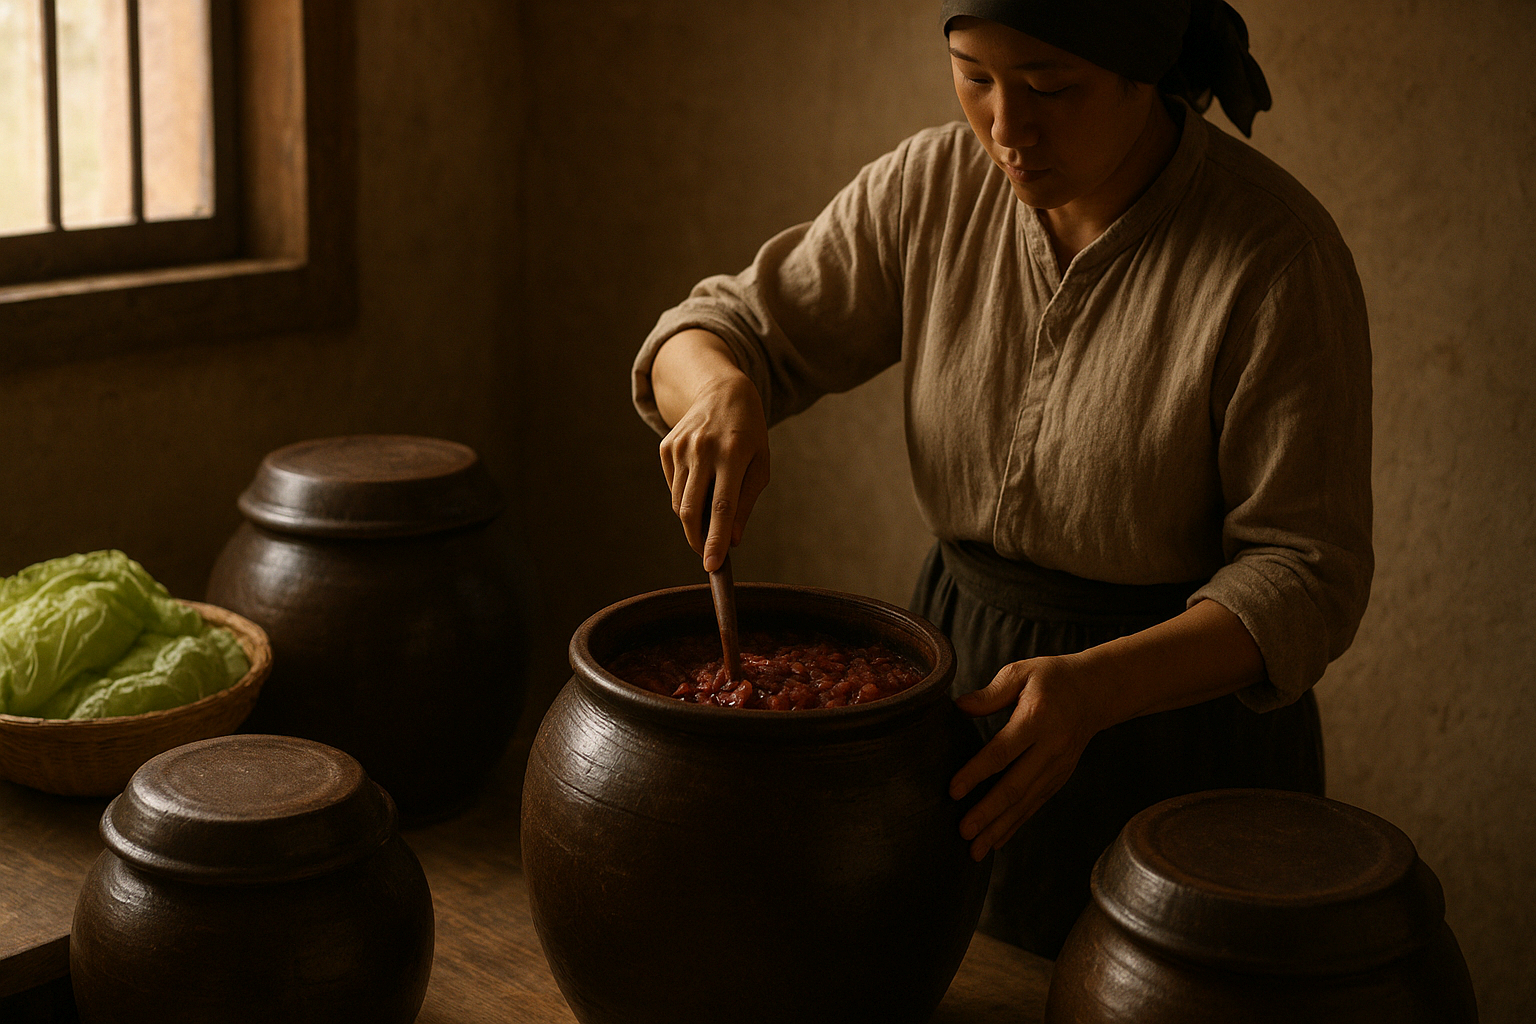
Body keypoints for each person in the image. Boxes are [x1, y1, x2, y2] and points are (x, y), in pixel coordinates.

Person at [631, 0, 1372, 958]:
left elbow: (1307, 573)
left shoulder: (1274, 257)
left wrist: (1098, 690)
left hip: (1181, 737)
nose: (1008, 129)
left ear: (1144, 73)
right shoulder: (932, 188)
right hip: (966, 696)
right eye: (974, 77)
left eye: (1051, 89)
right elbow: (715, 328)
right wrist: (720, 388)